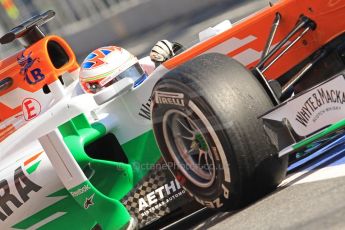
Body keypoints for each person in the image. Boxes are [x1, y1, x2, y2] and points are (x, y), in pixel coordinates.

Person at [79, 40, 184, 93]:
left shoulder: (151, 65)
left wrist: (174, 58)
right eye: (118, 80)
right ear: (96, 90)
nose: (133, 82)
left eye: (134, 71)